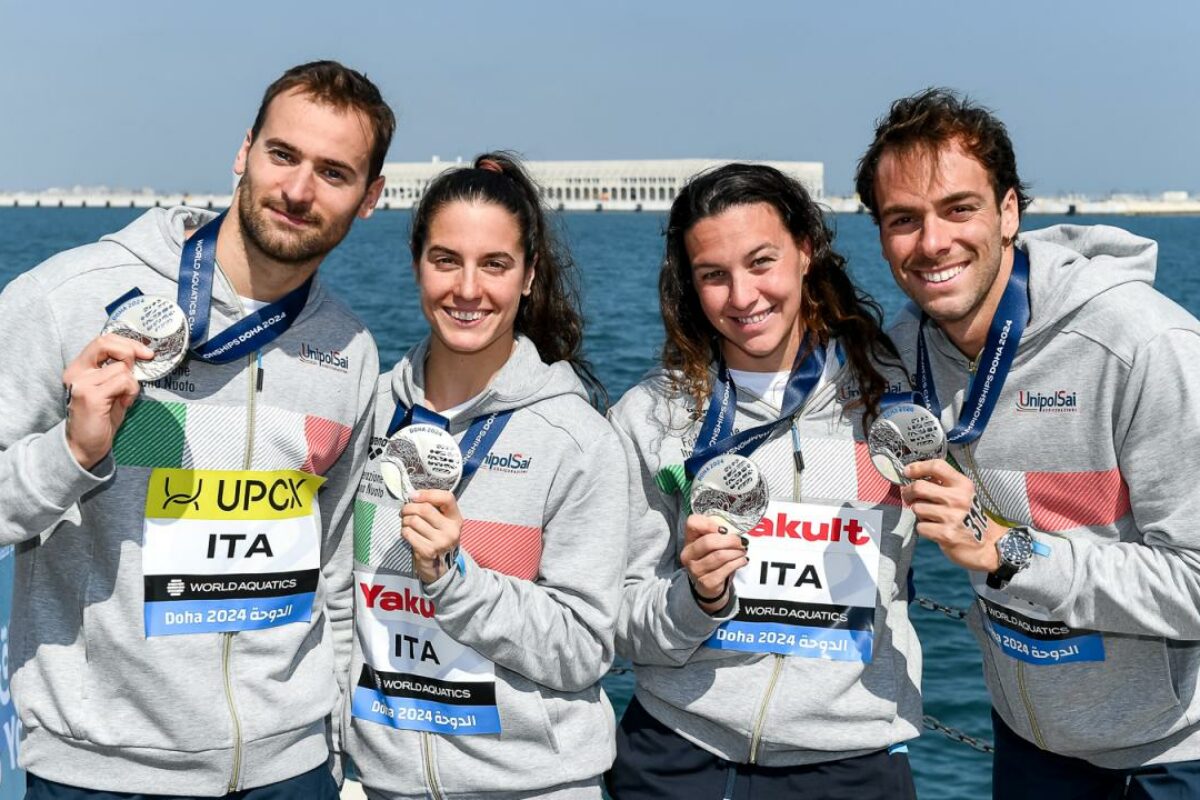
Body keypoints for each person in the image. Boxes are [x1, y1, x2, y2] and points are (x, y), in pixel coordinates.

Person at [0, 60, 394, 797]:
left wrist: (337, 737)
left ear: (370, 198)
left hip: (292, 768)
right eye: (283, 155)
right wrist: (72, 454)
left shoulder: (350, 350)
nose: (299, 190)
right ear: (244, 152)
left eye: (335, 173)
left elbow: (336, 565)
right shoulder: (68, 298)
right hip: (105, 770)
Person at [855, 87, 1200, 798]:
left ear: (1009, 211)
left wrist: (1011, 552)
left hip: (1170, 754)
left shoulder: (1143, 346)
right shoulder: (899, 355)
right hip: (1028, 745)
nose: (932, 243)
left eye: (958, 209)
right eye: (903, 219)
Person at [607, 163, 921, 799]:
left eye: (761, 262)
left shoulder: (900, 392)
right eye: (714, 276)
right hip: (679, 755)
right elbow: (617, 613)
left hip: (852, 761)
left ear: (806, 251)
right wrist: (695, 599)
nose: (743, 296)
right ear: (689, 286)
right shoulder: (649, 417)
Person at [346, 152, 627, 799]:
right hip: (386, 783)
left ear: (528, 275)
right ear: (417, 263)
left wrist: (454, 580)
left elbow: (586, 648)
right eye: (446, 260)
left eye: (494, 265)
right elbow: (340, 600)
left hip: (533, 786)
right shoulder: (370, 411)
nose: (467, 289)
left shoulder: (578, 440)